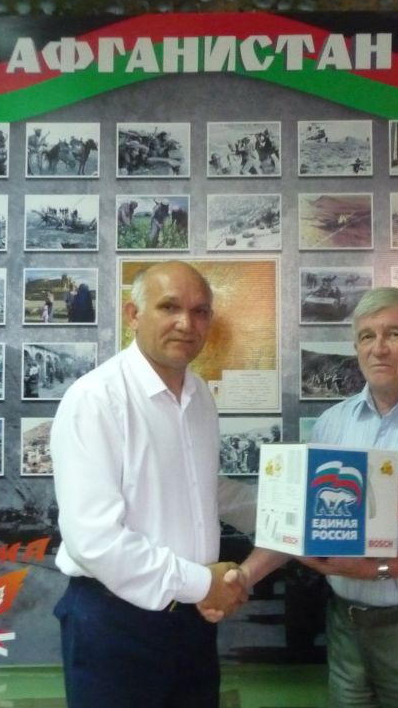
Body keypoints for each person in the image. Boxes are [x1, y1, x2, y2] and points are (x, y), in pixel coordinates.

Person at [223, 287, 398, 708]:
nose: (378, 348)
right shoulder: (332, 424)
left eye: (394, 334)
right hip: (346, 629)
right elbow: (297, 524)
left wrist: (376, 570)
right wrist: (243, 577)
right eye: (367, 336)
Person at [50, 260, 251, 708]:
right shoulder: (96, 399)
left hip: (194, 621)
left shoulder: (200, 397)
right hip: (116, 625)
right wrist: (201, 583)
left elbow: (203, 488)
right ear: (133, 314)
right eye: (169, 307)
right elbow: (94, 540)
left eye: (200, 311)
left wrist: (286, 511)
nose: (186, 323)